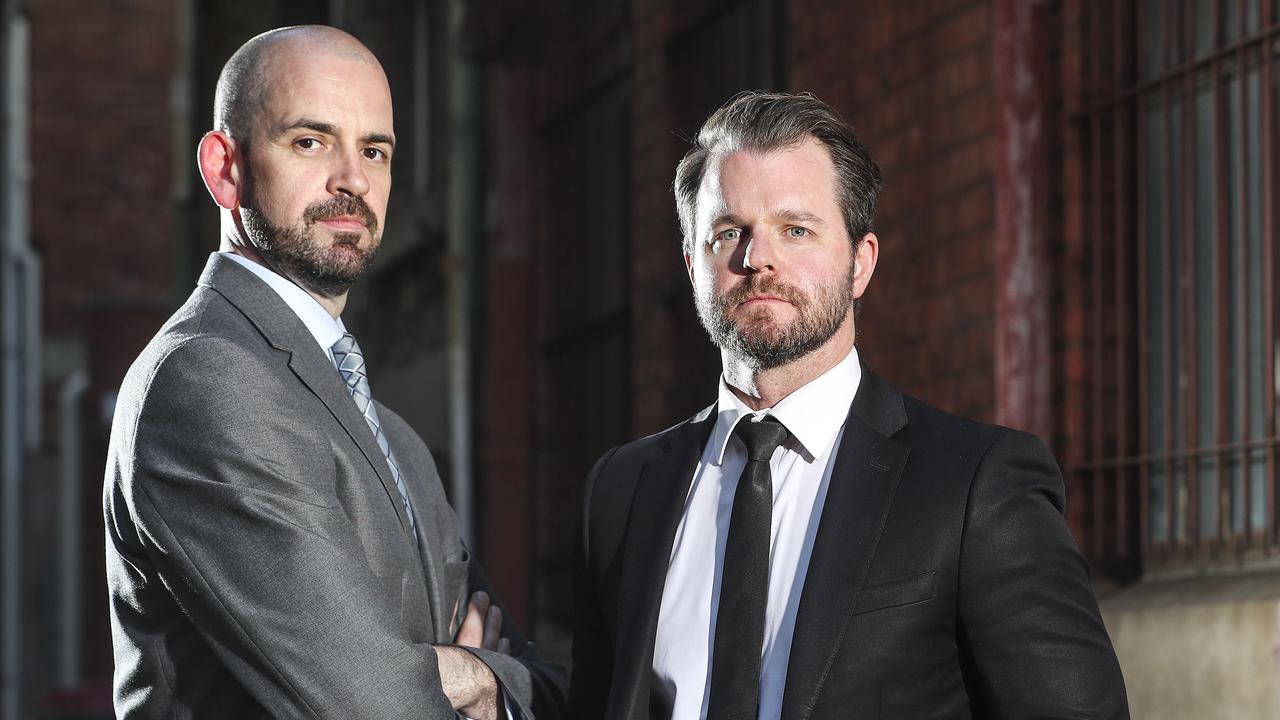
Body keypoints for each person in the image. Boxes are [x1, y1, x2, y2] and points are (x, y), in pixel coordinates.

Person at [567, 91, 1128, 719]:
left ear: (860, 263)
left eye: (796, 230)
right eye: (729, 233)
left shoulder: (975, 484)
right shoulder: (623, 488)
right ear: (692, 263)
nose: (759, 260)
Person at [104, 26, 564, 720]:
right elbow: (375, 706)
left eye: (374, 150)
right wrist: (471, 675)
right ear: (225, 167)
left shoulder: (397, 440)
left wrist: (477, 676)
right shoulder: (205, 381)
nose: (352, 179)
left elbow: (550, 687)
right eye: (310, 141)